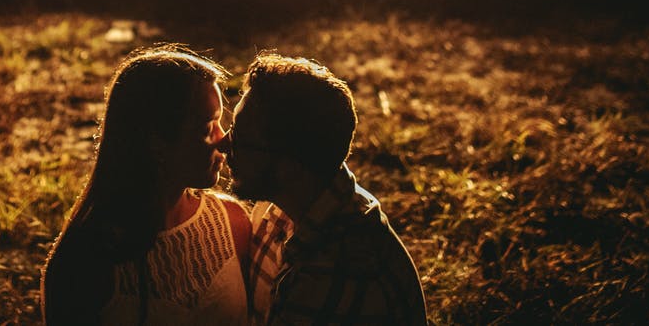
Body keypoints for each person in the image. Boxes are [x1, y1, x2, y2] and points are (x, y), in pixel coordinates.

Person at [41, 45, 253, 325]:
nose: (224, 140)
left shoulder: (232, 224)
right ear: (156, 143)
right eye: (206, 128)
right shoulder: (84, 263)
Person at [224, 53, 427, 325]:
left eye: (240, 137)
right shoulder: (296, 203)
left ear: (289, 166)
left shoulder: (333, 275)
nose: (224, 144)